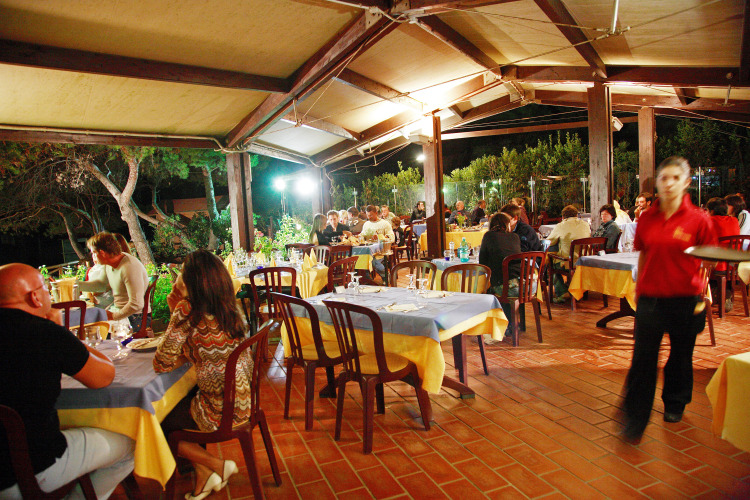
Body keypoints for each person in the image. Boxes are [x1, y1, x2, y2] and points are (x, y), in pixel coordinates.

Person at [0, 263, 134, 499]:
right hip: (32, 468)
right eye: (45, 288)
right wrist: (62, 333)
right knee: (130, 447)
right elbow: (104, 376)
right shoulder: (44, 333)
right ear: (35, 297)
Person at [622, 156, 716, 443]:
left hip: (685, 299)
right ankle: (635, 417)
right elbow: (643, 253)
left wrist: (703, 288)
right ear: (658, 183)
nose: (670, 183)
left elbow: (709, 260)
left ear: (686, 183)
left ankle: (675, 403)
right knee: (643, 358)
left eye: (676, 178)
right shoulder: (647, 218)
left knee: (680, 356)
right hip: (651, 298)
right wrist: (639, 289)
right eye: (664, 178)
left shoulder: (699, 219)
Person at [153, 250, 248, 499]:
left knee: (157, 421)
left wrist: (175, 311)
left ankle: (217, 466)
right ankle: (204, 475)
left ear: (190, 281)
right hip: (243, 400)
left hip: (218, 409)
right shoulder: (229, 306)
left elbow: (162, 363)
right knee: (179, 405)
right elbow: (201, 348)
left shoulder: (187, 310)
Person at [77, 232, 148, 331]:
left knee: (91, 331)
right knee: (84, 324)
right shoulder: (110, 264)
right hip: (120, 311)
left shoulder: (129, 267)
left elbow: (136, 305)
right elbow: (101, 285)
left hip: (135, 317)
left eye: (93, 252)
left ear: (102, 253)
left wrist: (113, 316)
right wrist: (74, 285)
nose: (92, 256)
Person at [479, 212, 521, 344]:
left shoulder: (489, 236)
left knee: (487, 290)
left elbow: (482, 264)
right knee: (503, 280)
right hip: (527, 286)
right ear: (507, 224)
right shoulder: (515, 236)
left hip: (508, 288)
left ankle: (495, 328)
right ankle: (509, 325)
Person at [546, 205, 591, 303]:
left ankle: (562, 292)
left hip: (569, 263)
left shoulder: (561, 225)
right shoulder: (585, 224)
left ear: (563, 217)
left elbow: (549, 242)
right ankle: (574, 288)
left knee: (551, 263)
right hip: (585, 262)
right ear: (576, 215)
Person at [361, 205, 395, 283]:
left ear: (376, 213)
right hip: (368, 251)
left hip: (381, 251)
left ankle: (386, 277)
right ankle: (367, 280)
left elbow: (392, 237)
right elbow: (362, 235)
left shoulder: (384, 224)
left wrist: (380, 237)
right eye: (367, 215)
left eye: (371, 215)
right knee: (360, 259)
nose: (369, 217)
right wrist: (358, 237)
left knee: (374, 261)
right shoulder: (366, 224)